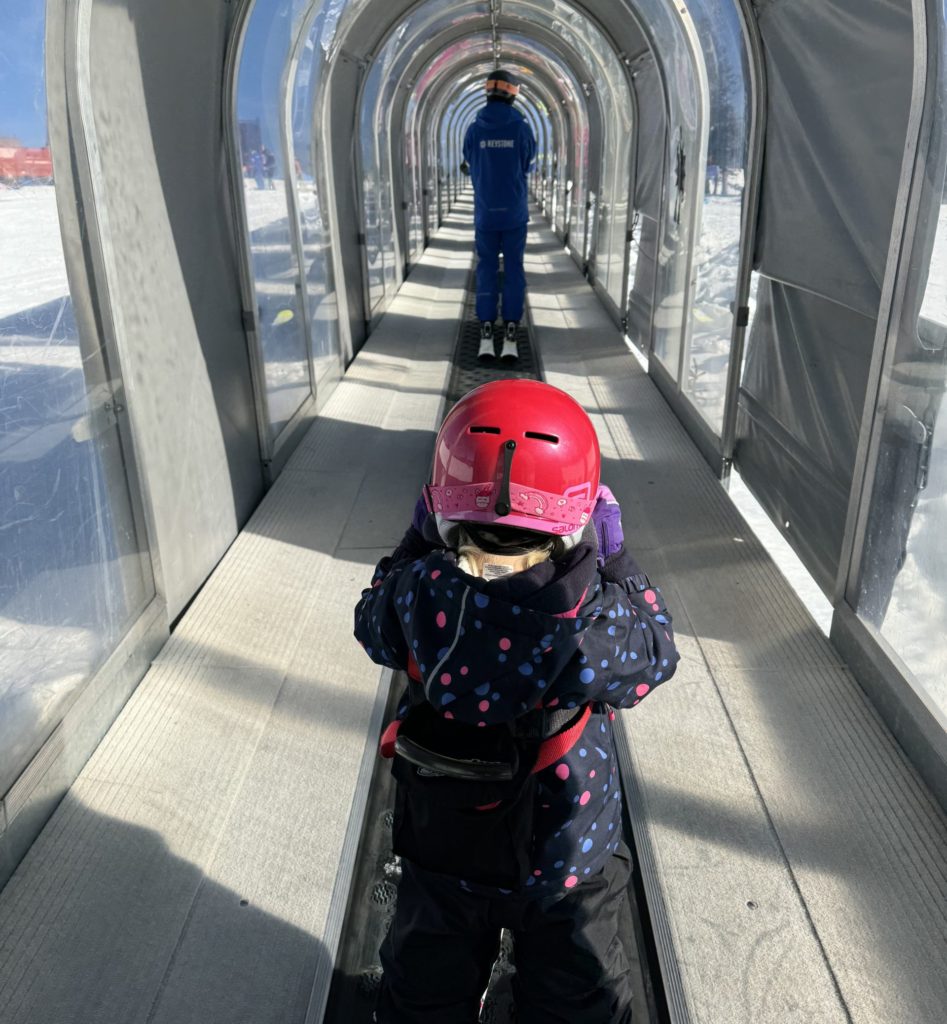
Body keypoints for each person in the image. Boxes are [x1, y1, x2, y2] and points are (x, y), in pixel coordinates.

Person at [354, 379, 680, 1024]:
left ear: (443, 503)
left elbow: (373, 623)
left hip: (444, 841)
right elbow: (657, 653)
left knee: (426, 986)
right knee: (573, 995)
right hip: (565, 853)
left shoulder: (417, 594)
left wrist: (415, 545)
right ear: (579, 511)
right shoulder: (594, 622)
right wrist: (619, 564)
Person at [462, 70, 537, 364]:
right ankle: (510, 333)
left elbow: (469, 159)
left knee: (487, 269)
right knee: (514, 270)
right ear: (512, 93)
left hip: (485, 214)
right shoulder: (521, 129)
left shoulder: (474, 129)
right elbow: (527, 163)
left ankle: (484, 331)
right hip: (515, 213)